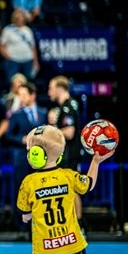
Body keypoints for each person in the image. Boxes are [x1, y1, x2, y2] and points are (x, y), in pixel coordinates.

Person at [17, 124, 122, 254]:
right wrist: (96, 160)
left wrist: (30, 214)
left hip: (47, 243)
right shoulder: (68, 175)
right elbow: (89, 183)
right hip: (72, 239)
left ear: (36, 155)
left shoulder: (28, 183)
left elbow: (25, 215)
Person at [3, 81, 46, 237]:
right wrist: (21, 139)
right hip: (21, 157)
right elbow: (8, 135)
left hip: (40, 160)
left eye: (23, 95)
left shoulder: (43, 112)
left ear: (32, 95)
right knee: (21, 191)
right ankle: (21, 226)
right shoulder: (16, 114)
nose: (21, 98)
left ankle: (39, 224)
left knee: (40, 190)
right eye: (19, 95)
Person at [47, 75, 84, 226]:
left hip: (69, 155)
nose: (49, 92)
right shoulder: (68, 106)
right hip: (67, 155)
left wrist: (49, 132)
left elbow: (69, 132)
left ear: (60, 88)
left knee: (71, 189)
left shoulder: (67, 107)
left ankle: (79, 224)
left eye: (51, 88)